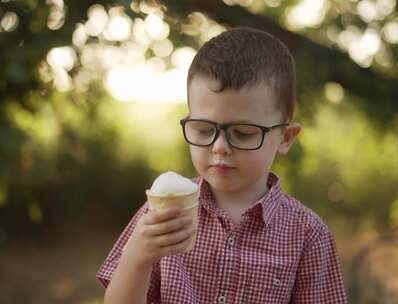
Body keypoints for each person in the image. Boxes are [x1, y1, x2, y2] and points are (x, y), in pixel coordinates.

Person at [97, 27, 348, 303]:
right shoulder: (162, 214)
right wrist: (137, 257)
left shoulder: (308, 235)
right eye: (204, 130)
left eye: (243, 133)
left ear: (285, 138)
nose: (219, 147)